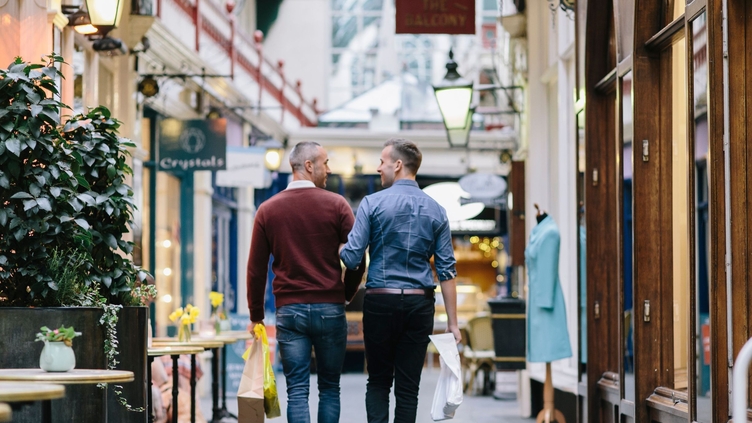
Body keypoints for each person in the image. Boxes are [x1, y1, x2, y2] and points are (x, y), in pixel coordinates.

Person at [340, 138, 461, 423]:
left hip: (381, 301)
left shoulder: (372, 203)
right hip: (420, 305)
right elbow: (447, 271)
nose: (378, 167)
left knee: (379, 382)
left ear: (398, 164)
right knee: (409, 388)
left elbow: (353, 258)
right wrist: (453, 323)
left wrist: (340, 249)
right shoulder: (437, 210)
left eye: (382, 162)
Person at [246, 141, 364, 423]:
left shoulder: (267, 209)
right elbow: (358, 257)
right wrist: (345, 294)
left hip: (290, 312)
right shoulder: (337, 205)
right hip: (330, 309)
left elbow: (256, 268)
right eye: (325, 163)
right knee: (329, 388)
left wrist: (256, 316)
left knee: (297, 390)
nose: (329, 169)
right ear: (309, 166)